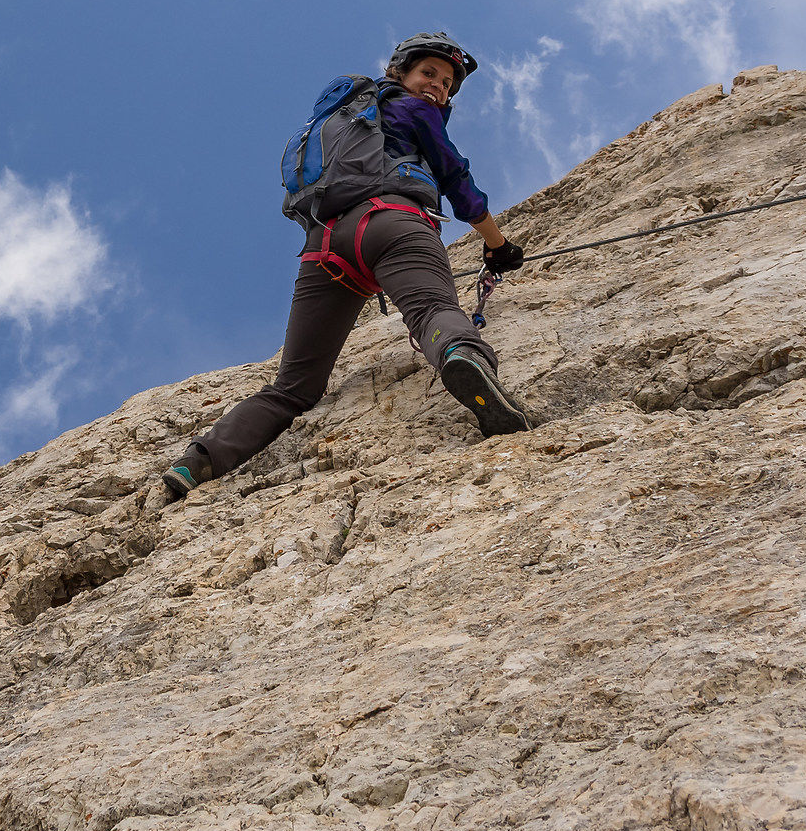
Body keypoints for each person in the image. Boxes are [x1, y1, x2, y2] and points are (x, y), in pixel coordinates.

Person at [161, 31, 531, 499]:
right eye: (429, 74)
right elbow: (457, 180)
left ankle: (198, 462)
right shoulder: (414, 111)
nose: (437, 87)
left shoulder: (342, 121)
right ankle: (461, 357)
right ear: (400, 73)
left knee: (293, 388)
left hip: (326, 249)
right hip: (395, 223)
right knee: (431, 308)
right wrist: (497, 245)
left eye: (446, 83)